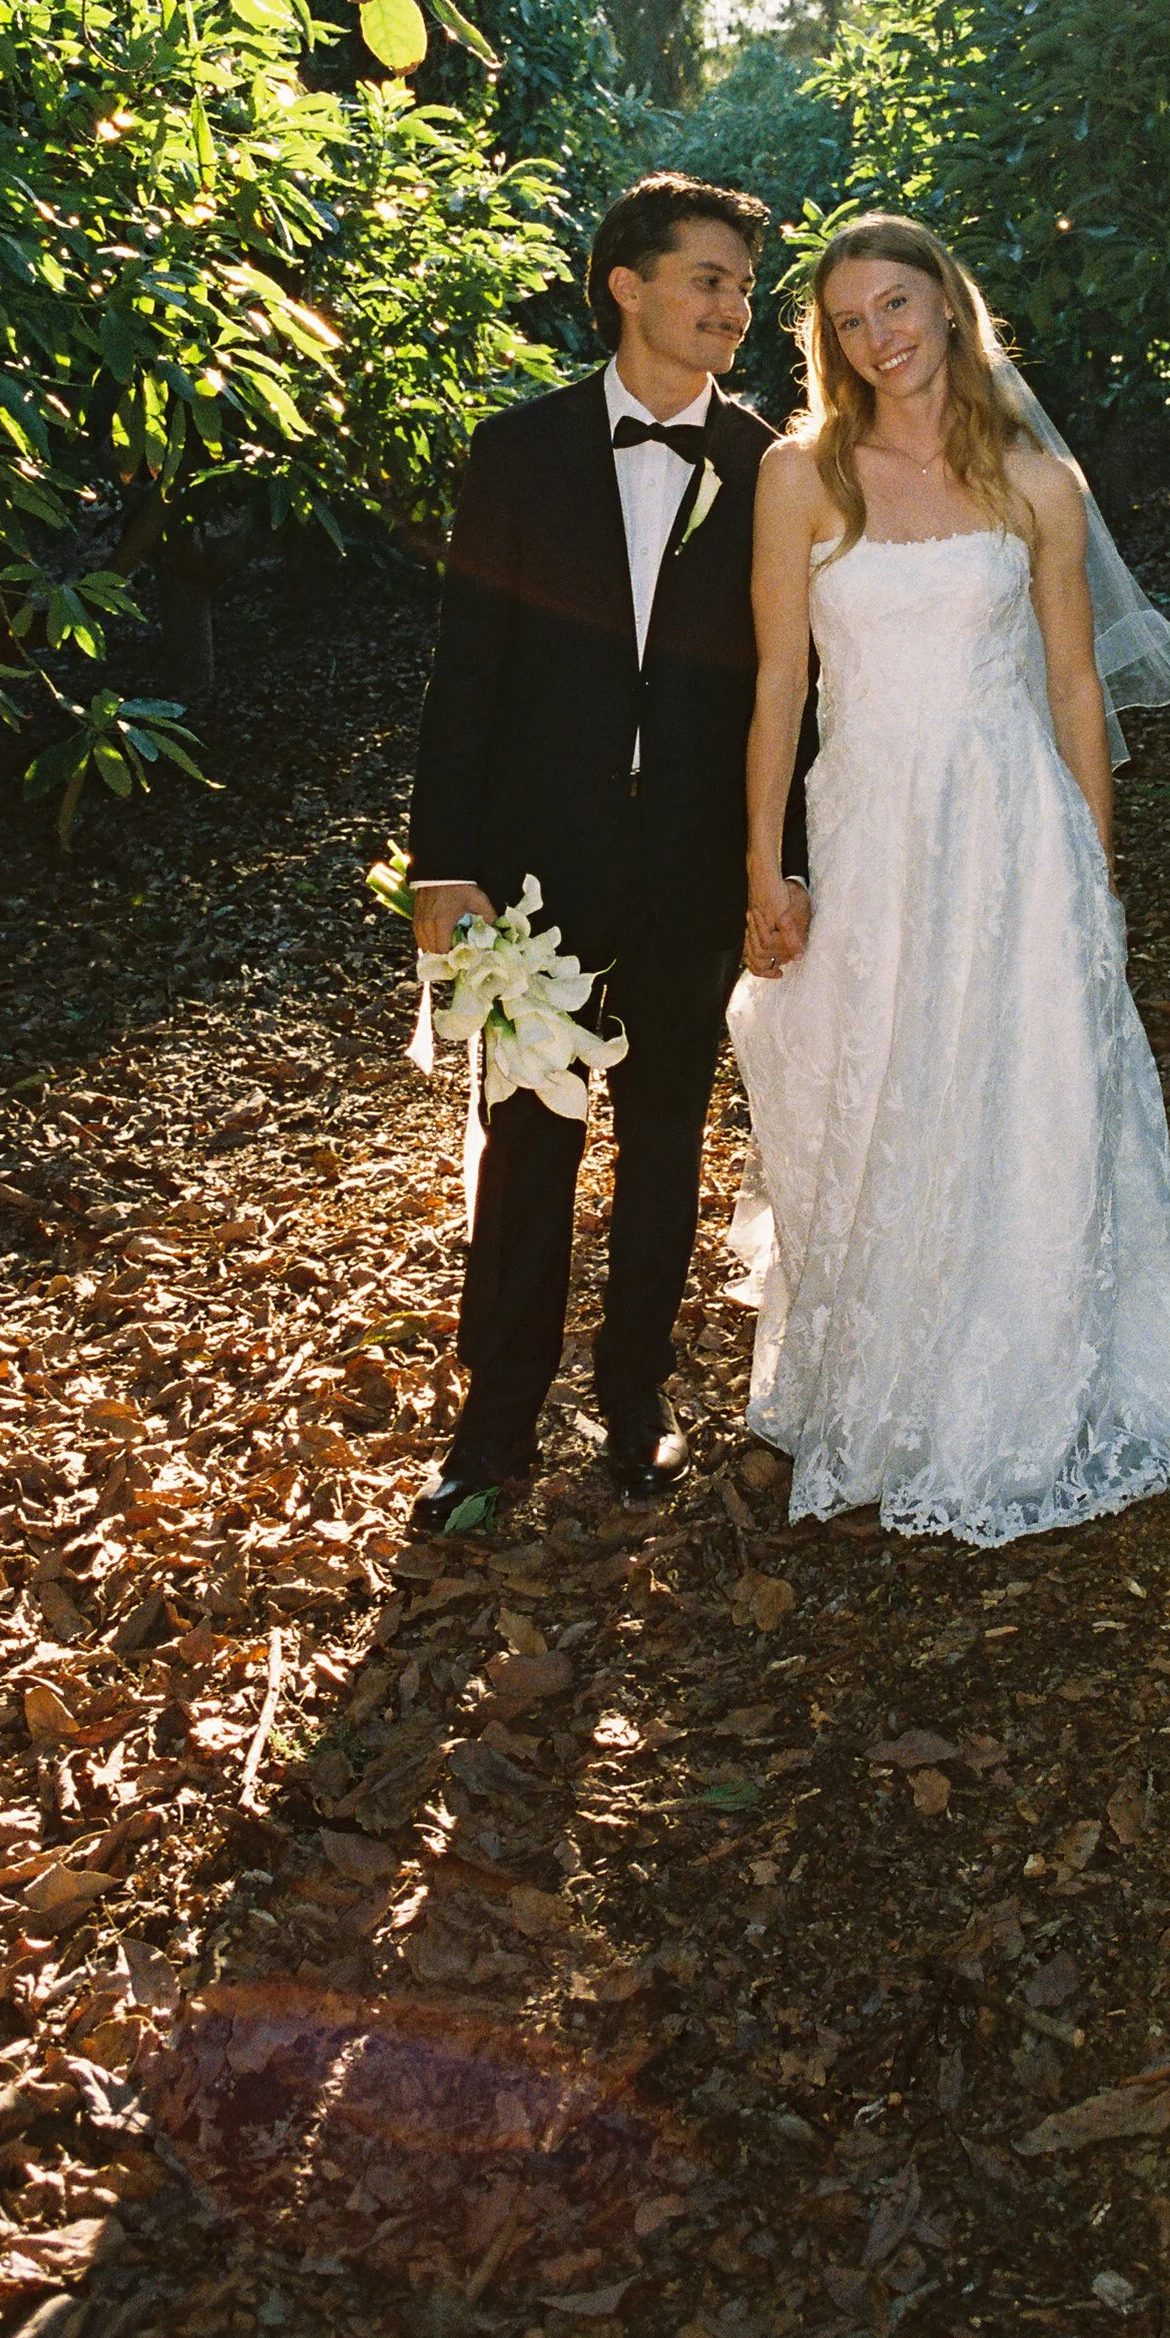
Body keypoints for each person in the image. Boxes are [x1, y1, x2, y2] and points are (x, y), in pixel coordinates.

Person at [727, 212, 1170, 1547]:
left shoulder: (1041, 483)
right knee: (884, 1079)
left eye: (898, 303)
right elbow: (778, 682)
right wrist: (766, 858)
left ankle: (1034, 1367)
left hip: (1014, 822)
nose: (880, 335)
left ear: (948, 303)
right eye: (852, 319)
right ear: (831, 341)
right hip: (870, 822)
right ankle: (899, 1375)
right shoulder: (803, 477)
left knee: (1028, 1081)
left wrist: (1093, 864)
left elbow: (1075, 684)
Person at [404, 175, 816, 1530]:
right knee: (527, 1141)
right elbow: (467, 674)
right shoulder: (516, 452)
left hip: (695, 868)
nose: (733, 307)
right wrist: (441, 863)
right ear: (627, 284)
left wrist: (780, 864)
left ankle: (634, 1402)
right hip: (534, 870)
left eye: (746, 288)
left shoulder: (772, 467)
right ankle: (493, 1424)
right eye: (708, 278)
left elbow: (792, 692)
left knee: (663, 1146)